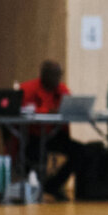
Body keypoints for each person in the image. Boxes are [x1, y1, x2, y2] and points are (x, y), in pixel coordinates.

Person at [19, 59, 74, 200]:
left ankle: (53, 185)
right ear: (43, 75)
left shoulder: (61, 89)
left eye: (59, 74)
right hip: (32, 135)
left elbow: (69, 106)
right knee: (36, 152)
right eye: (53, 74)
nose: (57, 78)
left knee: (80, 152)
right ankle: (36, 188)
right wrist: (48, 111)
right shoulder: (28, 89)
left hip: (54, 135)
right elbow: (23, 110)